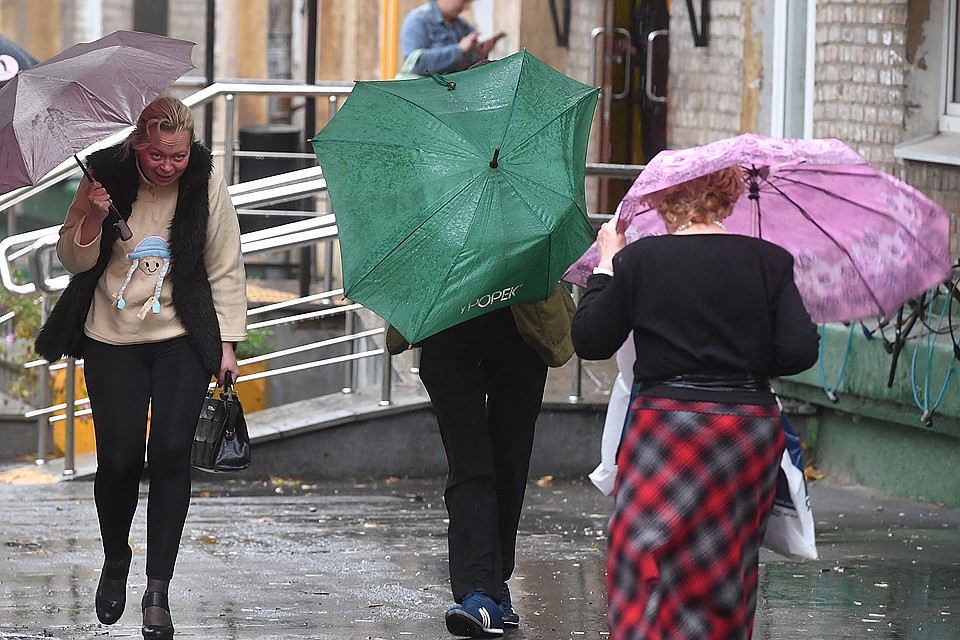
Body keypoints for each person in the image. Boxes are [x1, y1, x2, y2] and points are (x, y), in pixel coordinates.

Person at [570, 166, 819, 640]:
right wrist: (740, 355)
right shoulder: (770, 260)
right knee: (724, 562)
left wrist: (606, 265)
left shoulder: (641, 260)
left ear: (665, 201)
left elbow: (591, 339)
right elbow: (799, 351)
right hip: (745, 430)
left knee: (641, 552)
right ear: (727, 199)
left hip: (666, 426)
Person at [35, 95, 247, 640]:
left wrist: (227, 346)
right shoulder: (103, 174)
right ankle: (115, 555)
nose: (169, 166)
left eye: (177, 155)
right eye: (158, 156)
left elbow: (224, 263)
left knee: (172, 454)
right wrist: (90, 214)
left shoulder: (203, 178)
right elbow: (73, 260)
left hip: (181, 333)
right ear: (137, 145)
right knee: (120, 461)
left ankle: (158, 590)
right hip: (111, 336)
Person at [388, 284, 575, 638]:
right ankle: (478, 590)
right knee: (469, 462)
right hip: (449, 324)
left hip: (524, 326)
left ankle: (495, 578)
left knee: (510, 460)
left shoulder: (526, 224)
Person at [399, 0, 505, 77]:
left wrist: (481, 55)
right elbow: (416, 64)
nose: (466, 7)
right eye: (464, 1)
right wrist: (459, 49)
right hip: (424, 94)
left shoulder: (463, 26)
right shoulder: (418, 20)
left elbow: (470, 70)